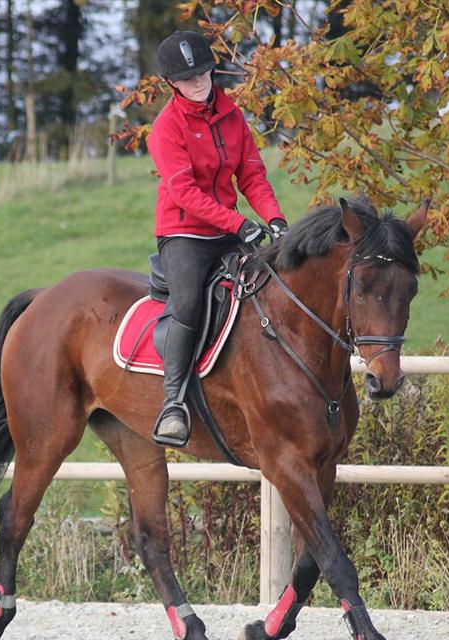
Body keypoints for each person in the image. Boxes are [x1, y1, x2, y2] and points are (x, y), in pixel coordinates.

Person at [148, 30, 288, 447]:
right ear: (173, 83)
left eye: (203, 72)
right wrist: (237, 223)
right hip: (183, 233)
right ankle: (173, 402)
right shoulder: (165, 128)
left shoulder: (232, 115)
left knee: (270, 286)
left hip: (229, 230)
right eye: (187, 77)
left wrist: (274, 219)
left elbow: (251, 175)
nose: (198, 82)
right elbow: (183, 193)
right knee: (189, 304)